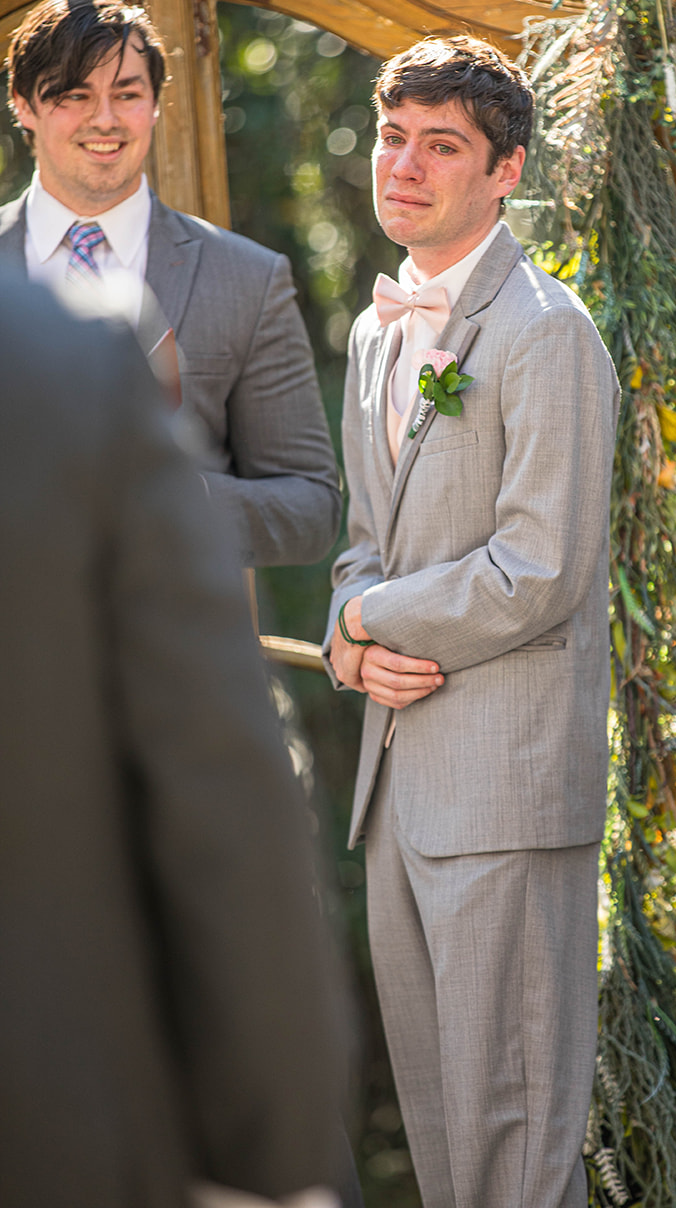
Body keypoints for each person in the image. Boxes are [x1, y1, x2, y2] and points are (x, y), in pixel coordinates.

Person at [324, 35, 619, 1208]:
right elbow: (367, 541)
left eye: (441, 144)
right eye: (394, 136)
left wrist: (364, 617)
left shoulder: (546, 331)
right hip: (397, 786)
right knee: (447, 1143)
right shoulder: (374, 328)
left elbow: (539, 565)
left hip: (504, 787)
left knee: (510, 1141)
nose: (405, 163)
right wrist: (352, 629)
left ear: (504, 170)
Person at [0, 273, 354, 1208]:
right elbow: (221, 800)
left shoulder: (227, 286)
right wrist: (281, 1160)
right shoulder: (57, 364)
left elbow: (313, 498)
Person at [0, 0, 341, 569]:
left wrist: (172, 497)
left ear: (156, 102)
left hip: (175, 650)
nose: (104, 119)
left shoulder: (248, 279)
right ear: (24, 105)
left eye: (127, 93)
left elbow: (311, 510)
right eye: (73, 95)